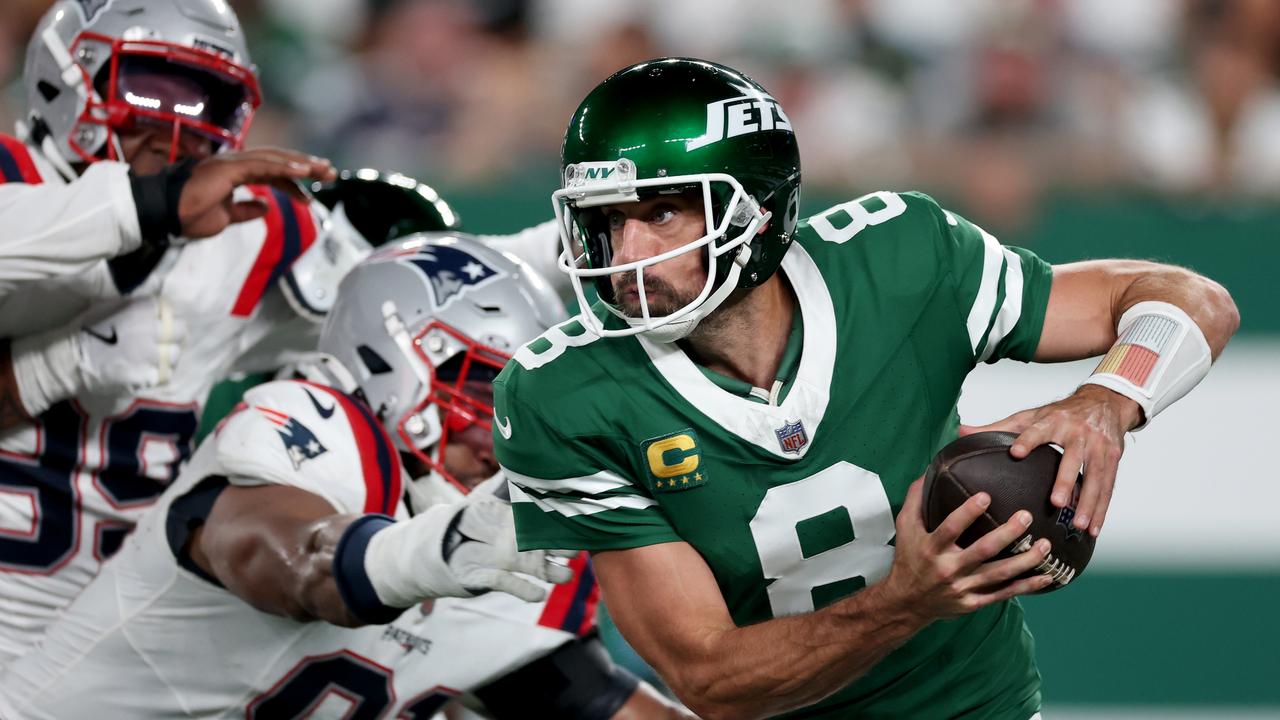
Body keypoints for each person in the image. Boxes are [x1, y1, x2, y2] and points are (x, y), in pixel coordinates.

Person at [495, 58, 1240, 719]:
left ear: (753, 209)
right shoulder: (561, 395)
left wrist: (1104, 404)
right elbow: (712, 679)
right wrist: (905, 601)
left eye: (660, 213)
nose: (627, 255)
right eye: (607, 221)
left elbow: (1193, 299)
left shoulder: (899, 258)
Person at [0, 234, 690, 720]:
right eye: (483, 393)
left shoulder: (517, 567)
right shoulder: (315, 427)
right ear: (393, 364)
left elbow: (595, 704)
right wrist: (432, 555)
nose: (505, 433)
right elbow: (287, 561)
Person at [0, 0, 342, 667]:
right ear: (66, 79)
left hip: (123, 647)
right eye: (148, 87)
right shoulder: (15, 190)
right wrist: (56, 365)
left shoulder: (249, 232)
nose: (175, 128)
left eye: (205, 101)